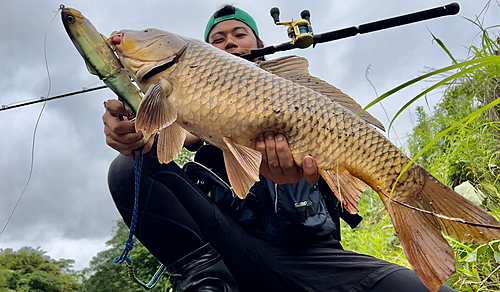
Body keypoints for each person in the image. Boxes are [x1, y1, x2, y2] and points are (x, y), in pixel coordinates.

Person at [103, 5, 457, 292]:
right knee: (126, 167)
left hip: (319, 257)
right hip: (238, 248)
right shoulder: (184, 95)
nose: (228, 43)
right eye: (217, 40)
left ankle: (422, 199)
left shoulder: (289, 88)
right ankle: (208, 283)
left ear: (257, 44)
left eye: (239, 34)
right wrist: (133, 136)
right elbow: (165, 135)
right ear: (201, 52)